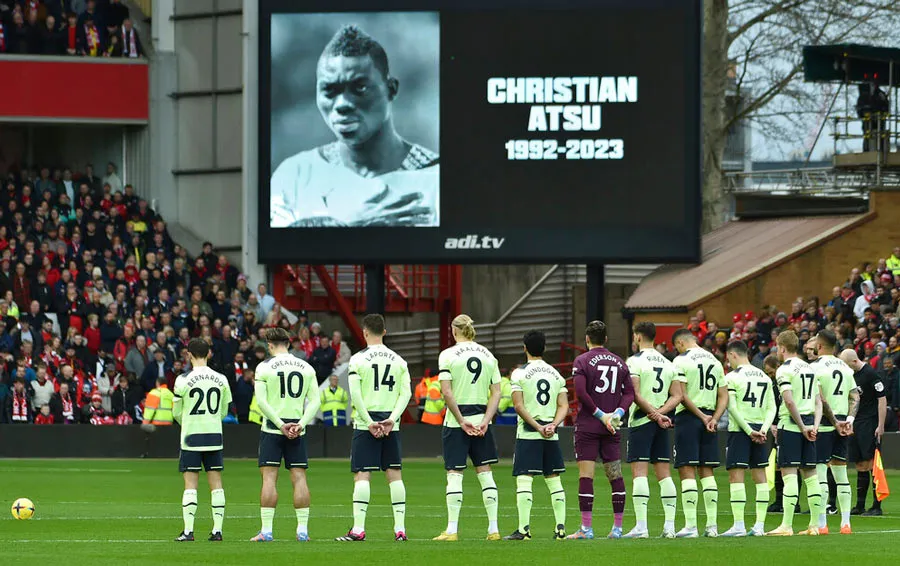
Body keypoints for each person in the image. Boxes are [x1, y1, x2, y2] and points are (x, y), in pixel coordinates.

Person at [270, 25, 439, 228]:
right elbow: (280, 254)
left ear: (391, 89)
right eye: (330, 90)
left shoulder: (436, 179)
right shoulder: (295, 174)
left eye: (360, 88)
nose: (342, 104)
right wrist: (355, 228)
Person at [336, 314, 411, 542]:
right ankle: (400, 530)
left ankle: (358, 529)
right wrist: (392, 419)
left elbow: (355, 393)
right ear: (385, 332)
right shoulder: (399, 360)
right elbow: (406, 393)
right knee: (394, 475)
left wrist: (369, 421)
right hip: (390, 423)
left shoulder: (358, 360)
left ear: (365, 332)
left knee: (362, 475)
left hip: (365, 423)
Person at [433, 314, 502, 542]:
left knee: (455, 474)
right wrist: (486, 420)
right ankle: (493, 529)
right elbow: (497, 393)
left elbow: (446, 391)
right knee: (485, 473)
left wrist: (462, 420)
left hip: (457, 422)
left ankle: (452, 530)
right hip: (482, 420)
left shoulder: (448, 355)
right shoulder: (488, 355)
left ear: (454, 330)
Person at [250, 327, 320, 542]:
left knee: (269, 478)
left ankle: (267, 531)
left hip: (273, 429)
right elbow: (316, 401)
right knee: (299, 478)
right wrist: (300, 424)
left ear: (269, 345)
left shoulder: (264, 367)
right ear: (288, 343)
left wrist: (280, 424)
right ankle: (302, 531)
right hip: (298, 431)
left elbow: (261, 402)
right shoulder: (306, 367)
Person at [568, 320, 634, 540]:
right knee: (615, 475)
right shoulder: (620, 363)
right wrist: (618, 414)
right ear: (606, 339)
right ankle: (617, 529)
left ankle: (586, 529)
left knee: (586, 476)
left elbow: (580, 392)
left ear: (587, 339)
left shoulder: (582, 360)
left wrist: (600, 414)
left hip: (589, 425)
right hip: (612, 427)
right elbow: (629, 394)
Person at [503, 331, 568, 541]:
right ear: (545, 348)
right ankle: (560, 529)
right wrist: (553, 425)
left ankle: (524, 530)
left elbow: (518, 405)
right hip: (551, 433)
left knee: (524, 479)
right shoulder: (556, 374)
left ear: (524, 348)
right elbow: (564, 405)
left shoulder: (519, 374)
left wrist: (538, 427)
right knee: (554, 479)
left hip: (529, 433)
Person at [621, 322, 681, 539]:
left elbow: (634, 393)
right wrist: (661, 413)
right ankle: (670, 527)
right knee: (664, 474)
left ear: (637, 336)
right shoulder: (668, 362)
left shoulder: (634, 361)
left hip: (642, 420)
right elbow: (677, 395)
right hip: (662, 422)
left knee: (639, 472)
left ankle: (642, 527)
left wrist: (653, 414)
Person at [172, 338, 232, 542]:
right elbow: (224, 410)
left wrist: (189, 421)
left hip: (191, 436)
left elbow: (176, 413)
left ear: (189, 354)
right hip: (214, 435)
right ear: (209, 354)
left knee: (190, 483)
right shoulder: (221, 379)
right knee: (216, 483)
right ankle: (217, 531)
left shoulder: (182, 380)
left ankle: (189, 531)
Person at [671, 328, 727, 538]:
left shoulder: (681, 361)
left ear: (680, 344)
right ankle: (712, 526)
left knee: (686, 469)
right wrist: (713, 417)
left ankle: (691, 526)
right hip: (710, 419)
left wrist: (701, 417)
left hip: (689, 418)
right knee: (707, 471)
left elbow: (681, 395)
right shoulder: (715, 361)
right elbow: (723, 396)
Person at [767, 330, 823, 536]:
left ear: (781, 348)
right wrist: (814, 426)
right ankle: (814, 525)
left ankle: (786, 525)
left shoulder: (784, 370)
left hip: (791, 426)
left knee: (789, 474)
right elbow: (819, 401)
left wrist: (800, 427)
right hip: (810, 425)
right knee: (811, 475)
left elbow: (789, 401)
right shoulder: (809, 368)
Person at [720, 340, 776, 538]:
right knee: (760, 477)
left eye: (728, 359)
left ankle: (739, 525)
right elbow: (772, 408)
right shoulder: (764, 376)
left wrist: (747, 430)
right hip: (760, 430)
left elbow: (732, 407)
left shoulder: (732, 377)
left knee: (736, 476)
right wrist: (763, 429)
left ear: (733, 355)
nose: (729, 363)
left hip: (740, 431)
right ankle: (759, 525)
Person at [812, 331, 858, 534]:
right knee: (841, 474)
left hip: (823, 424)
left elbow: (820, 399)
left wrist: (833, 421)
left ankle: (822, 524)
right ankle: (845, 523)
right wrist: (848, 420)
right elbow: (855, 396)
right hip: (842, 424)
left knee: (821, 474)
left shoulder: (814, 367)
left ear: (819, 346)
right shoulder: (846, 368)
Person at [840, 348, 887, 516]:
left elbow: (882, 400)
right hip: (856, 423)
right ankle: (860, 505)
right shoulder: (850, 376)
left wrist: (880, 425)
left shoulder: (871, 374)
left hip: (869, 422)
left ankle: (876, 505)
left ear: (854, 361)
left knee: (871, 463)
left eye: (846, 365)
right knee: (859, 464)